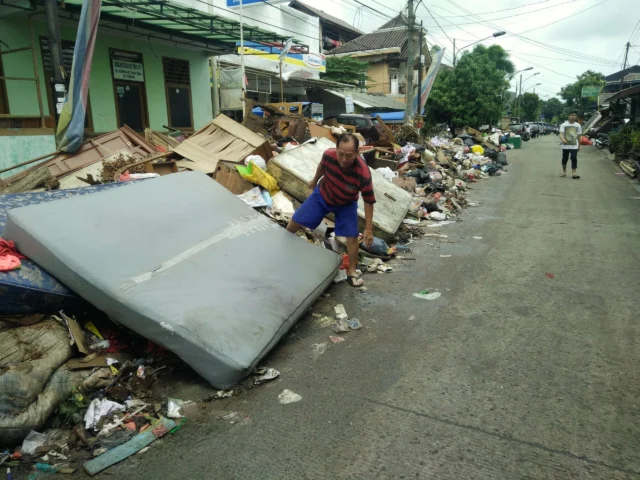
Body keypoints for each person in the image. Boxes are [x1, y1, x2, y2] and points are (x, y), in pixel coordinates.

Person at [286, 134, 375, 287]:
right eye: (341, 154)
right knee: (296, 220)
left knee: (352, 237)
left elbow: (368, 200)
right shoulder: (328, 155)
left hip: (346, 203)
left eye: (349, 156)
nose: (344, 160)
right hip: (323, 195)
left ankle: (351, 271)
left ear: (357, 153)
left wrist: (368, 228)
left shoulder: (363, 173)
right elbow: (322, 166)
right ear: (336, 149)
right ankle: (282, 246)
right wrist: (314, 180)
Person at [559, 111, 582, 179]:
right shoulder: (564, 125)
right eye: (571, 115)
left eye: (574, 115)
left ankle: (574, 174)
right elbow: (561, 133)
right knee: (565, 158)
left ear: (576, 117)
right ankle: (564, 172)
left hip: (574, 145)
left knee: (574, 158)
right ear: (569, 116)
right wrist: (563, 139)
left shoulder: (578, 125)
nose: (573, 116)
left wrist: (579, 145)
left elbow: (579, 135)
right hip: (565, 145)